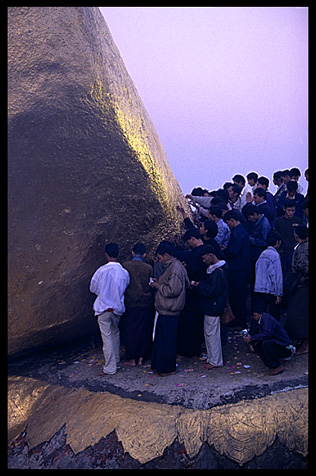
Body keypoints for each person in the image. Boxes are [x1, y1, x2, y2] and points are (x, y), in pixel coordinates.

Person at [149, 241, 189, 376]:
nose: (159, 261)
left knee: (167, 341)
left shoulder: (175, 268)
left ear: (166, 255)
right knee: (163, 340)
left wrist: (158, 286)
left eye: (160, 258)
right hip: (166, 309)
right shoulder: (173, 267)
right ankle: (161, 366)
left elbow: (173, 290)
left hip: (170, 309)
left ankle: (167, 368)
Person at [90, 243, 130, 375]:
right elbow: (125, 287)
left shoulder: (101, 271)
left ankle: (110, 367)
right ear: (118, 254)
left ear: (106, 255)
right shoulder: (124, 272)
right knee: (115, 333)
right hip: (117, 307)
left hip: (103, 307)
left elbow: (93, 288)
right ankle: (116, 359)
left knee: (106, 337)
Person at [193, 245, 229, 368]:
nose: (204, 261)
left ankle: (215, 360)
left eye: (204, 258)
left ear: (210, 255)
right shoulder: (218, 270)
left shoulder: (217, 272)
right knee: (210, 333)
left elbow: (214, 290)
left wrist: (199, 286)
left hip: (213, 305)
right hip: (213, 305)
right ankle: (211, 358)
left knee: (212, 334)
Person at [174, 228, 208, 357]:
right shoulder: (204, 250)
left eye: (188, 242)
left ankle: (187, 350)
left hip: (194, 291)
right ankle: (195, 348)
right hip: (201, 291)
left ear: (193, 239)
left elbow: (188, 258)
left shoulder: (196, 253)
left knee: (189, 321)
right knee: (198, 322)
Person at [121, 243, 154, 366]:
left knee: (131, 331)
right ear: (144, 255)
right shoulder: (148, 268)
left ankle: (131, 358)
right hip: (146, 303)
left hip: (131, 303)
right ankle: (141, 357)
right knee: (144, 331)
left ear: (132, 252)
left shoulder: (125, 266)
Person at [243, 307, 294, 375]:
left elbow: (267, 333)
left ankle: (276, 366)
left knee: (266, 344)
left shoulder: (267, 319)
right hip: (276, 343)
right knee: (256, 344)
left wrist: (252, 338)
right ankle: (270, 364)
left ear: (256, 314)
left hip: (284, 347)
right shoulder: (263, 320)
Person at [223, 210, 250, 328]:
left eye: (228, 222)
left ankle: (239, 321)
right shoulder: (242, 231)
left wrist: (225, 251)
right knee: (239, 296)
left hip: (237, 268)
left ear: (232, 220)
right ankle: (240, 320)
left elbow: (234, 251)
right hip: (241, 267)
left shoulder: (237, 233)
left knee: (237, 297)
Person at [284, 225, 308, 355]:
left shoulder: (303, 249)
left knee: (299, 315)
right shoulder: (301, 247)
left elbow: (304, 266)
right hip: (301, 285)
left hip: (302, 285)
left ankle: (305, 344)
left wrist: (299, 274)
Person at [253, 230, 283, 321]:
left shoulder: (262, 254)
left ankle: (255, 334)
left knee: (258, 315)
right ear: (277, 242)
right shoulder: (275, 256)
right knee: (274, 316)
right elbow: (277, 276)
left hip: (259, 288)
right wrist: (279, 293)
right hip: (270, 290)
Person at [274, 199, 302, 276]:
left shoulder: (298, 221)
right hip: (283, 251)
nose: (290, 213)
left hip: (295, 252)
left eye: (293, 210)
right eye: (289, 210)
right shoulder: (278, 221)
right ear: (284, 209)